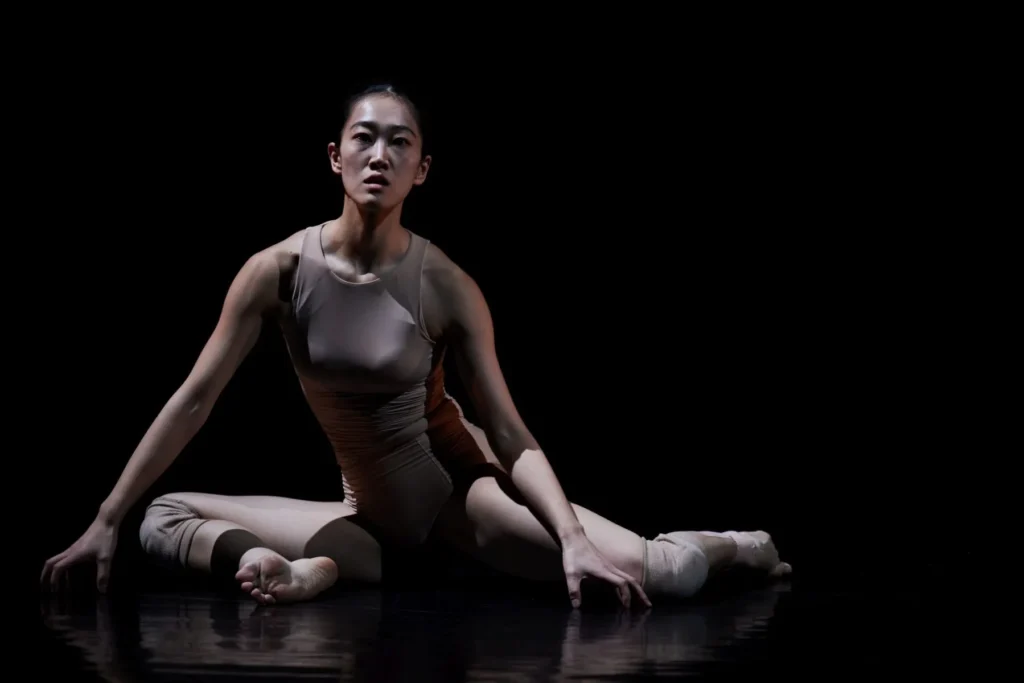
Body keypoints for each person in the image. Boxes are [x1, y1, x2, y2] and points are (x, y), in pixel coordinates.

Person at [39, 84, 791, 608]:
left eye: (400, 142)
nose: (380, 154)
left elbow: (508, 433)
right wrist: (104, 518)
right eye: (364, 138)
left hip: (459, 502)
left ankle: (740, 543)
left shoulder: (445, 284)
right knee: (159, 516)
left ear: (421, 169)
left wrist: (569, 538)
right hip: (365, 519)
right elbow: (195, 398)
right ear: (334, 155)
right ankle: (299, 568)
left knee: (662, 573)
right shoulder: (278, 271)